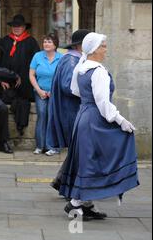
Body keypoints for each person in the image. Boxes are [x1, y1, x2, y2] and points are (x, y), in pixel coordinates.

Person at [59, 32, 139, 220]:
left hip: (84, 116)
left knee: (89, 158)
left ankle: (86, 204)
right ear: (94, 50)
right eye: (103, 46)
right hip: (95, 119)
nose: (105, 49)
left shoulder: (82, 68)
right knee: (96, 160)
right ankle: (75, 203)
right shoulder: (99, 71)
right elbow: (103, 104)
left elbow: (75, 90)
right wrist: (121, 121)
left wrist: (89, 105)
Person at [47, 29, 90, 190]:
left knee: (77, 149)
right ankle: (71, 185)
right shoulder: (72, 61)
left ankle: (61, 180)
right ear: (80, 45)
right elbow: (68, 86)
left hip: (72, 110)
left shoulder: (73, 59)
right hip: (71, 111)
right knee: (80, 148)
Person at [0, 14, 40, 136]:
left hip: (25, 82)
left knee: (23, 101)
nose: (16, 28)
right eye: (14, 26)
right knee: (8, 99)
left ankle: (21, 124)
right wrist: (1, 79)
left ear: (24, 28)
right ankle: (18, 125)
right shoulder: (5, 41)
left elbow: (36, 62)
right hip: (7, 81)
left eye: (19, 26)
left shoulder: (31, 42)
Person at [29, 33, 63, 156]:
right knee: (42, 115)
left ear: (55, 45)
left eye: (49, 42)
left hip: (55, 93)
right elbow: (31, 75)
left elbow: (63, 77)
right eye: (44, 42)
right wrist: (39, 90)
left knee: (52, 117)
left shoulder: (61, 58)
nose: (46, 44)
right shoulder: (37, 56)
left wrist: (53, 91)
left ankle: (52, 146)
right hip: (40, 92)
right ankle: (40, 146)